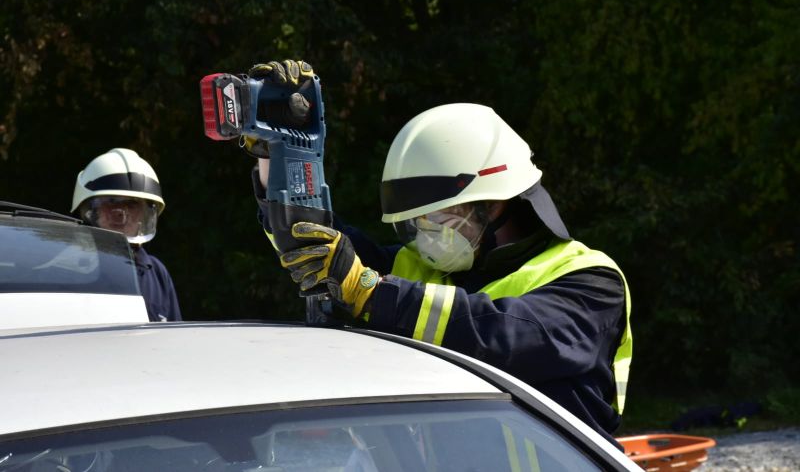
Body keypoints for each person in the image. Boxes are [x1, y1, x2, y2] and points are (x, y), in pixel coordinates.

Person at [249, 61, 632, 444]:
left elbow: (502, 335)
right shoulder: (419, 269)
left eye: (435, 217)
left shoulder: (589, 282)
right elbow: (315, 246)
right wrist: (280, 153)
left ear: (494, 204)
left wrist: (373, 292)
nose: (423, 234)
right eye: (413, 224)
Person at [72, 148, 181, 322]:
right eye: (112, 202)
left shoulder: (157, 273)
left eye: (131, 204)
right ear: (90, 209)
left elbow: (174, 339)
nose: (121, 213)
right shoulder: (68, 267)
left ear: (145, 213)